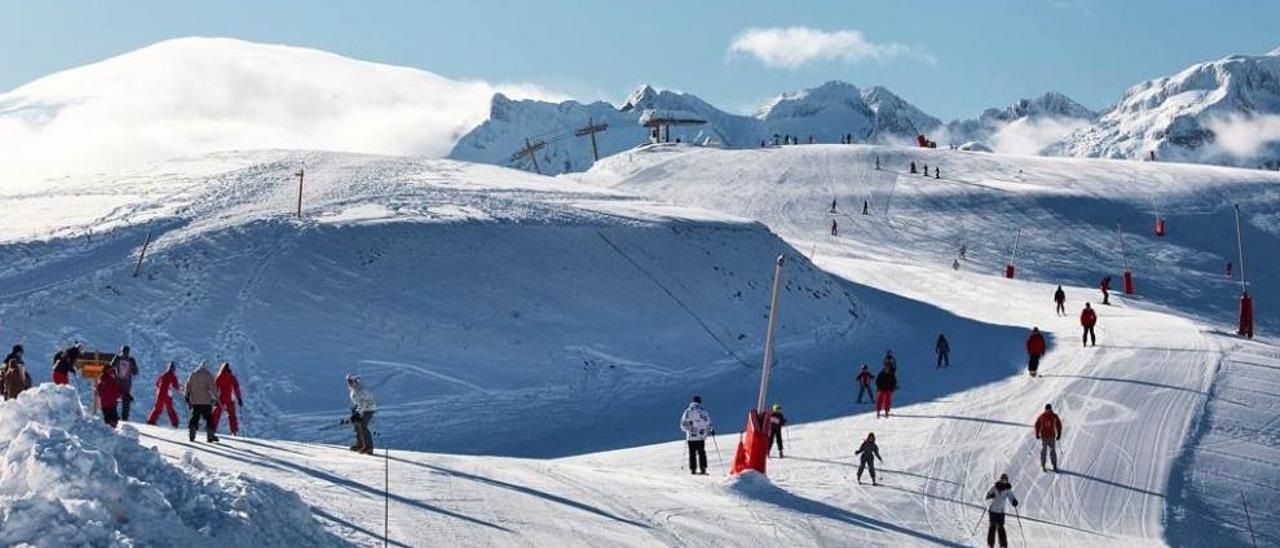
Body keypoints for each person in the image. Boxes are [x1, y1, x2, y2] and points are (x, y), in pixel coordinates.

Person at [184, 362, 219, 443]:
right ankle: (210, 434)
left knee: (195, 416)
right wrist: (216, 399)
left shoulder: (193, 374)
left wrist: (187, 395)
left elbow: (188, 386)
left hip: (195, 401)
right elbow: (213, 389)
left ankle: (192, 429)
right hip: (206, 402)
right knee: (209, 418)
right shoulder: (208, 375)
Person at [679, 395, 714, 475]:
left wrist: (688, 430)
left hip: (690, 437)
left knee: (692, 453)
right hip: (701, 436)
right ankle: (703, 468)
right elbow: (707, 422)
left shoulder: (687, 411)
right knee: (701, 452)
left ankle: (693, 469)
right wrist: (710, 430)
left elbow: (682, 424)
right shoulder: (702, 411)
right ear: (700, 402)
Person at [985, 473, 1019, 548]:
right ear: (1000, 480)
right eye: (1002, 480)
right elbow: (986, 496)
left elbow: (1011, 497)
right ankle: (990, 544)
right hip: (993, 510)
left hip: (1001, 511)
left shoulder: (1008, 489)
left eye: (1005, 480)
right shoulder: (995, 487)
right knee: (992, 526)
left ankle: (1003, 544)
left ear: (1007, 481)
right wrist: (991, 496)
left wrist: (1014, 501)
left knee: (1001, 527)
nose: (1004, 481)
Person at [347, 374, 377, 454]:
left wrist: (358, 412)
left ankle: (368, 447)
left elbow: (364, 403)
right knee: (357, 426)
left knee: (363, 426)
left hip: (368, 410)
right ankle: (360, 444)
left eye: (351, 381)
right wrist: (355, 410)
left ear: (356, 381)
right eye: (348, 381)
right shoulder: (354, 389)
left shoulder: (361, 390)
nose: (349, 383)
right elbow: (358, 402)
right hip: (361, 409)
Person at [211, 362, 243, 436]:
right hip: (229, 398)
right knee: (232, 414)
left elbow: (215, 388)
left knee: (217, 413)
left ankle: (212, 427)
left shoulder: (219, 376)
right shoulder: (232, 377)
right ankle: (234, 430)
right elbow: (236, 388)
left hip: (221, 397)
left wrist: (214, 398)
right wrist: (239, 398)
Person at [147, 362, 182, 427]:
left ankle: (151, 421)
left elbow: (157, 384)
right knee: (170, 409)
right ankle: (175, 423)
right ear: (173, 369)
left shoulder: (163, 375)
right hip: (167, 394)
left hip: (160, 393)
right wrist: (180, 388)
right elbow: (175, 386)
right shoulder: (172, 375)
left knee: (157, 408)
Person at [110, 346, 138, 421]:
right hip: (126, 383)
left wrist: (114, 375)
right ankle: (124, 418)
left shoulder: (117, 358)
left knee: (114, 399)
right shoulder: (131, 360)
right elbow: (135, 372)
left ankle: (114, 415)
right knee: (126, 400)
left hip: (117, 382)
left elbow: (110, 367)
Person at [1035, 404, 1063, 472]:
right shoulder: (1042, 416)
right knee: (1043, 451)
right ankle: (1043, 464)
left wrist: (1059, 434)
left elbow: (1059, 425)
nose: (1047, 411)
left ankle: (1054, 465)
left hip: (1051, 437)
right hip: (1044, 437)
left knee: (1052, 451)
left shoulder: (1054, 416)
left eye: (1048, 409)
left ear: (1050, 409)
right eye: (1046, 409)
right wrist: (1037, 433)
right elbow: (1037, 424)